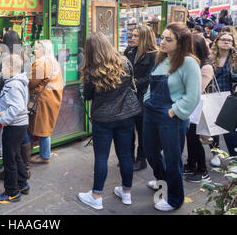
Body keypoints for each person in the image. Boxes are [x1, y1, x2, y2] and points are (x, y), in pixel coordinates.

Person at [78, 33, 142, 210]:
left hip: (103, 119)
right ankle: (127, 193)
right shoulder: (125, 62)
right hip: (126, 116)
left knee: (101, 157)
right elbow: (130, 85)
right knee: (125, 155)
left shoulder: (92, 70)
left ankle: (97, 196)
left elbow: (88, 96)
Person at [143, 22, 201, 211]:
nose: (163, 42)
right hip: (151, 112)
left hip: (171, 117)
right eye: (163, 38)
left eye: (169, 39)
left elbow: (193, 96)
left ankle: (175, 199)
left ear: (181, 42)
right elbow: (152, 85)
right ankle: (163, 182)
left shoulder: (189, 62)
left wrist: (173, 111)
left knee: (173, 158)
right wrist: (147, 99)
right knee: (150, 152)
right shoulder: (162, 58)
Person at [0, 30, 32, 180]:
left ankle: (11, 172)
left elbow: (2, 81)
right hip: (23, 95)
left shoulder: (6, 58)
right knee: (23, 134)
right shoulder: (24, 56)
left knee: (10, 141)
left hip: (10, 98)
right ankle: (25, 170)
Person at [0, 54, 30, 204]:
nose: (1, 70)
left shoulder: (13, 85)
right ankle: (22, 184)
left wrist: (3, 118)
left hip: (13, 126)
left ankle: (12, 192)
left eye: (2, 67)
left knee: (9, 159)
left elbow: (17, 107)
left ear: (9, 68)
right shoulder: (17, 82)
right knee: (16, 156)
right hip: (19, 125)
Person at [124, 25, 158, 171]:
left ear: (144, 37)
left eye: (136, 36)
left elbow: (151, 77)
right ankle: (128, 156)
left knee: (142, 129)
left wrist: (133, 83)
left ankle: (141, 159)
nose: (132, 38)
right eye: (132, 35)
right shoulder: (129, 51)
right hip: (128, 95)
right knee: (128, 128)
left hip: (143, 96)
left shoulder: (154, 55)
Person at [184, 35, 214, 183]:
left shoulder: (206, 66)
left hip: (198, 109)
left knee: (195, 139)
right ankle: (191, 164)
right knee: (190, 138)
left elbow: (198, 89)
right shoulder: (192, 62)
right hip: (191, 107)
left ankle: (203, 171)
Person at [28, 40, 63, 164]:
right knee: (44, 127)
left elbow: (31, 82)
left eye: (37, 49)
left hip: (42, 100)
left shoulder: (40, 64)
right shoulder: (54, 62)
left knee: (42, 128)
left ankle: (44, 155)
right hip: (52, 98)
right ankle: (42, 153)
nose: (34, 51)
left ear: (43, 50)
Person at [209, 32, 237, 159]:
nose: (226, 42)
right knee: (212, 128)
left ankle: (233, 156)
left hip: (227, 98)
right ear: (217, 42)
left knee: (229, 130)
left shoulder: (233, 59)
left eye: (229, 40)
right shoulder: (210, 57)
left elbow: (235, 78)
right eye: (223, 39)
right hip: (211, 97)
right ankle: (216, 154)